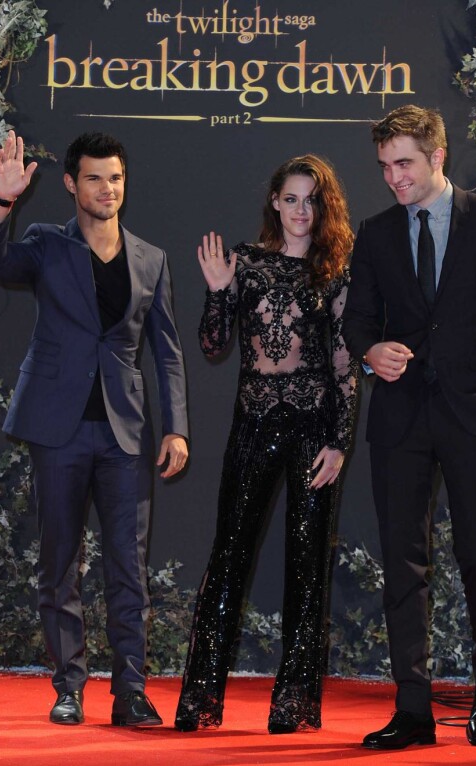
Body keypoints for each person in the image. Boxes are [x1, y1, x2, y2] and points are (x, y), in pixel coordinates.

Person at [342, 104, 476, 749]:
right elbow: (359, 322)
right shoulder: (373, 233)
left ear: (437, 157)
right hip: (401, 419)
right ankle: (414, 708)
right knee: (404, 563)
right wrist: (370, 353)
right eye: (385, 167)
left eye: (404, 164)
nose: (394, 179)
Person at [0, 130, 189, 726]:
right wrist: (0, 203)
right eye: (94, 178)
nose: (107, 189)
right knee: (59, 562)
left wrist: (176, 427)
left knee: (129, 565)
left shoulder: (150, 258)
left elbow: (167, 351)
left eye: (116, 178)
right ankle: (68, 685)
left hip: (126, 434)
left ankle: (130, 692)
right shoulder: (46, 244)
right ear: (72, 184)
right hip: (58, 430)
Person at [174, 154, 357, 734]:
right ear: (274, 203)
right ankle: (200, 699)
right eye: (292, 198)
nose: (302, 210)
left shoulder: (336, 272)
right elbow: (212, 344)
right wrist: (219, 291)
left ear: (323, 208)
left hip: (313, 427)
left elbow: (344, 366)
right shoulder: (246, 263)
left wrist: (341, 441)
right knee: (228, 558)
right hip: (252, 423)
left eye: (312, 200)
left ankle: (292, 702)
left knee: (307, 565)